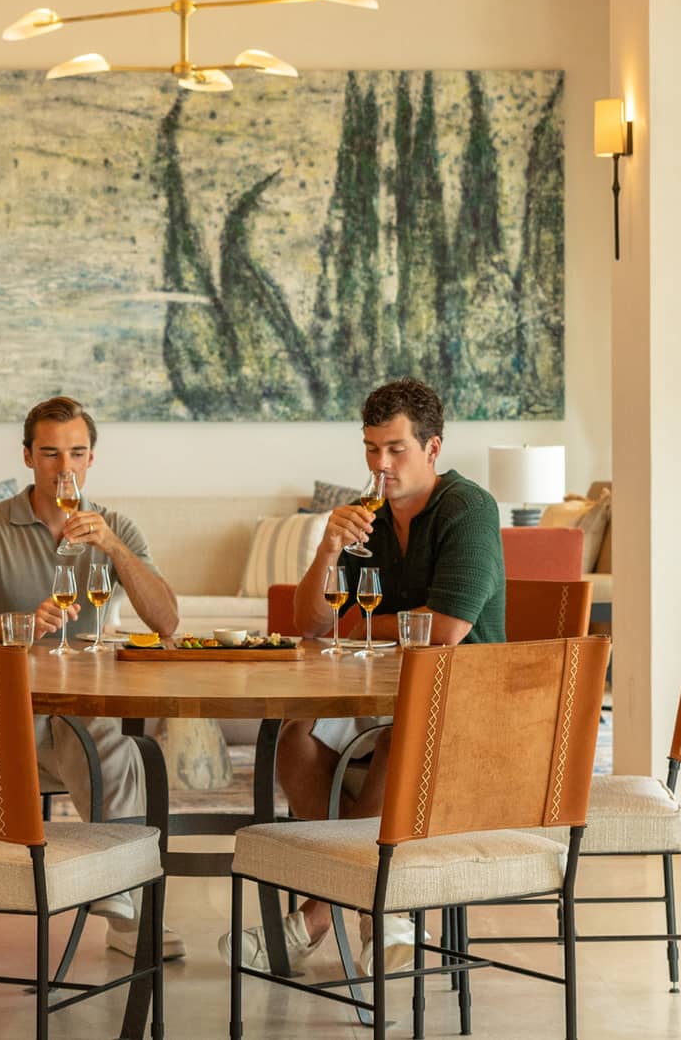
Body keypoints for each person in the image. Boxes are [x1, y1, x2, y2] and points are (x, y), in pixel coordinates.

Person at [223, 376, 505, 978]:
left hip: (461, 705)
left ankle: (319, 915)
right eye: (371, 448)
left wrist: (362, 632)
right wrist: (326, 549)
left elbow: (448, 628)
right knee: (292, 732)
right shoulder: (367, 517)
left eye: (396, 449)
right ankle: (384, 914)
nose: (381, 464)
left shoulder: (467, 508)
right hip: (384, 692)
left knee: (401, 737)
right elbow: (312, 625)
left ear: (432, 449)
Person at [0, 394, 183, 958]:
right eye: (51, 454)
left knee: (107, 738)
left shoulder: (115, 525)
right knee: (106, 744)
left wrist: (114, 547)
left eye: (77, 454)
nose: (65, 468)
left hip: (83, 703)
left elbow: (168, 621)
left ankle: (119, 907)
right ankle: (123, 901)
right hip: (11, 715)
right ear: (28, 457)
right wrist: (18, 624)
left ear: (92, 459)